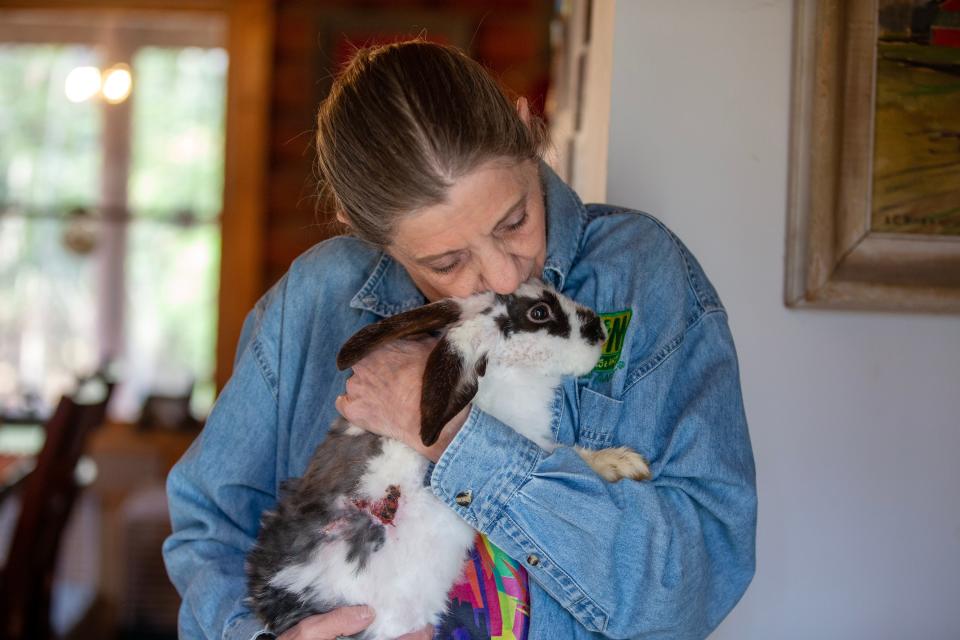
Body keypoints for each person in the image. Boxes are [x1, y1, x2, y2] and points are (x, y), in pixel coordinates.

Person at [163, 40, 757, 640]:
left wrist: (456, 439)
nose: (503, 276)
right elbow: (210, 523)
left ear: (529, 131)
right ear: (361, 230)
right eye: (447, 261)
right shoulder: (318, 298)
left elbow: (693, 590)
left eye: (514, 221)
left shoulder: (642, 276)